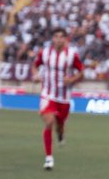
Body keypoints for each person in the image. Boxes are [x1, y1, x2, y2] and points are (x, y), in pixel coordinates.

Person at [32, 27, 83, 170]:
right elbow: (35, 66)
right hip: (48, 94)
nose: (58, 39)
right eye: (56, 36)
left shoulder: (72, 55)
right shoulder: (45, 53)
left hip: (64, 97)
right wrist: (35, 75)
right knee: (49, 122)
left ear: (66, 39)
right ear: (53, 38)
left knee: (59, 126)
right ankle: (49, 158)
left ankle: (60, 134)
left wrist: (72, 79)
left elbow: (81, 72)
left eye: (61, 37)